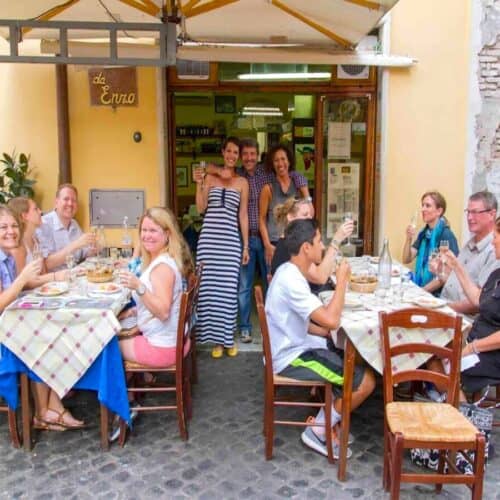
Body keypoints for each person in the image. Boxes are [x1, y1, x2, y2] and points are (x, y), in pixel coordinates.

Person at [266, 219, 375, 458]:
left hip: (295, 344)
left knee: (350, 357)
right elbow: (331, 320)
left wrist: (325, 333)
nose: (323, 247)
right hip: (290, 357)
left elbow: (303, 322)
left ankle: (331, 421)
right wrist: (342, 283)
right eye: (318, 241)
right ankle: (318, 430)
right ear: (306, 247)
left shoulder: (289, 270)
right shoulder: (292, 280)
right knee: (366, 381)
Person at [204, 138, 308, 344]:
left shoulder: (266, 174)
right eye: (245, 154)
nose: (249, 158)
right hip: (245, 238)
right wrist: (215, 171)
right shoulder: (235, 174)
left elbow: (288, 172)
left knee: (273, 284)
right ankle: (244, 327)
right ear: (240, 156)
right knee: (244, 286)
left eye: (253, 154)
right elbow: (208, 167)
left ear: (258, 155)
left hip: (268, 239)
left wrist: (301, 180)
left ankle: (272, 326)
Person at [0, 205, 85, 431]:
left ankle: (48, 408)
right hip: (5, 336)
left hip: (13, 325)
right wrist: (23, 279)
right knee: (45, 338)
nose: (11, 231)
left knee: (52, 332)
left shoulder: (7, 256)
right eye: (3, 227)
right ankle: (46, 410)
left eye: (13, 226)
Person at [431, 216, 500, 399]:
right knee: (430, 353)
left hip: (491, 354)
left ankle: (460, 412)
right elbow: (479, 300)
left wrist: (472, 347)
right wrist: (456, 265)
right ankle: (453, 403)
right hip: (475, 342)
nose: (493, 242)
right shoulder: (497, 274)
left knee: (452, 363)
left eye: (496, 237)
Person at [193, 137, 249, 358]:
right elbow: (200, 208)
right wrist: (199, 184)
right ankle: (216, 341)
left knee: (228, 292)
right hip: (209, 241)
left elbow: (242, 215)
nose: (232, 156)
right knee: (208, 291)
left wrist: (245, 246)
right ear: (223, 152)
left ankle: (228, 338)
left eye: (236, 153)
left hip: (230, 243)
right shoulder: (209, 177)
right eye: (229, 151)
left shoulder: (242, 183)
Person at [118, 207, 193, 367]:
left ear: (167, 234)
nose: (146, 236)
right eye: (144, 230)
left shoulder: (162, 268)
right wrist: (132, 311)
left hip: (163, 348)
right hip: (170, 341)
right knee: (120, 331)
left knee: (107, 346)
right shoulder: (162, 259)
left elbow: (163, 311)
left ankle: (125, 391)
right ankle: (142, 381)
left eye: (153, 230)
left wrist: (138, 286)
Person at [270, 197, 354, 295]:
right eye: (305, 215)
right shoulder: (289, 248)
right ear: (290, 217)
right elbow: (320, 277)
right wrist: (337, 239)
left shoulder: (293, 242)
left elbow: (319, 266)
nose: (310, 218)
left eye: (310, 214)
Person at [436, 191, 499, 313]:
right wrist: (440, 271)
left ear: (492, 214)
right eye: (468, 212)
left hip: (461, 316)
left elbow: (479, 302)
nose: (469, 217)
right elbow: (455, 282)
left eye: (475, 212)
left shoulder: (494, 252)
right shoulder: (469, 243)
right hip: (444, 304)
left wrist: (445, 309)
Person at [259, 144, 311, 269]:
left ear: (289, 161)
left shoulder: (298, 186)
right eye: (276, 160)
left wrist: (305, 190)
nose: (280, 163)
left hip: (295, 244)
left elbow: (310, 213)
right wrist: (267, 245)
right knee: (274, 283)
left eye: (283, 159)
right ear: (272, 164)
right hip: (274, 244)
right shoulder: (268, 188)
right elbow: (261, 218)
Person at [402, 190, 459, 293]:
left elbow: (445, 275)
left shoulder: (446, 235)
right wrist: (408, 238)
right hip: (423, 290)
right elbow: (406, 259)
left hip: (438, 295)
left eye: (427, 206)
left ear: (439, 211)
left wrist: (420, 292)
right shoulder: (424, 233)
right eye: (422, 205)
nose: (423, 209)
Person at [7, 197, 69, 287]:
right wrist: (55, 276)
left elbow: (43, 273)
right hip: (26, 297)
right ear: (24, 216)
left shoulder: (35, 239)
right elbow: (23, 284)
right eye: (36, 209)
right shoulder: (19, 246)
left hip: (40, 291)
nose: (40, 212)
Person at [36, 184, 95, 271]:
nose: (70, 204)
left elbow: (83, 254)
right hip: (53, 281)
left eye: (74, 200)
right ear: (56, 203)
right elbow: (46, 264)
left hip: (75, 276)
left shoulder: (74, 224)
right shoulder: (43, 224)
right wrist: (76, 244)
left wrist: (94, 249)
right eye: (66, 199)